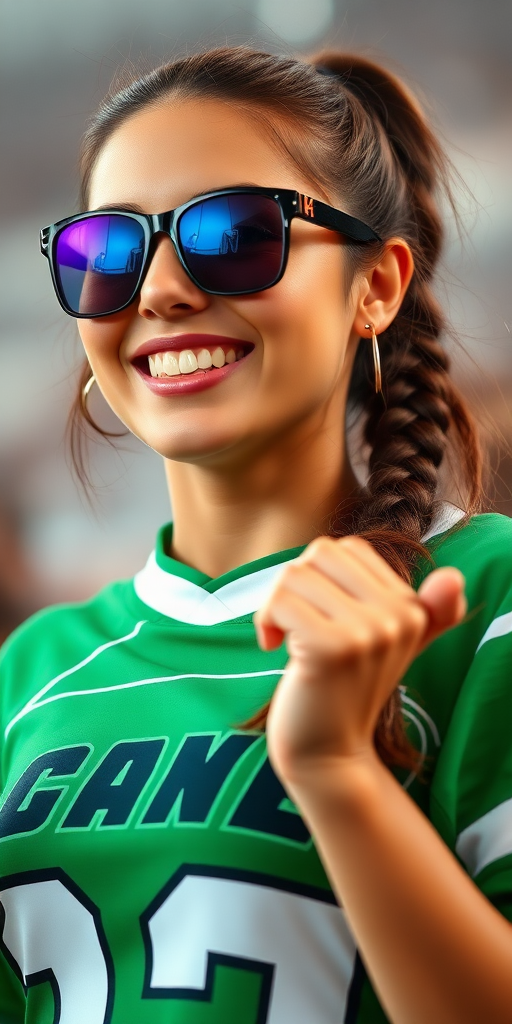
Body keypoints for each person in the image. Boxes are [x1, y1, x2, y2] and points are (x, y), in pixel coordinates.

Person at [0, 45, 511, 1024]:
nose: (157, 292)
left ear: (376, 285)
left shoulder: (480, 601)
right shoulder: (32, 676)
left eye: (232, 233)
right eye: (106, 251)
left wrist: (335, 772)